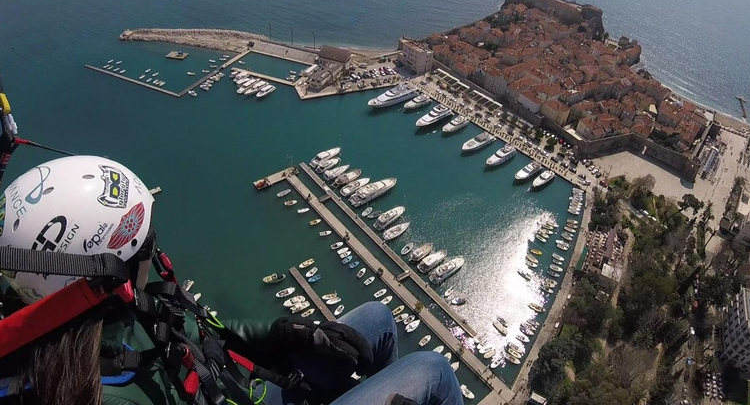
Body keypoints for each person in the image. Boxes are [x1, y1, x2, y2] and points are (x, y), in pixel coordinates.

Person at [0, 156, 461, 405]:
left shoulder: (123, 311)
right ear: (96, 277)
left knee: (378, 318)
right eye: (143, 246)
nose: (155, 253)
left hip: (238, 390)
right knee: (434, 373)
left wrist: (289, 333)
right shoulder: (99, 389)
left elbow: (206, 332)